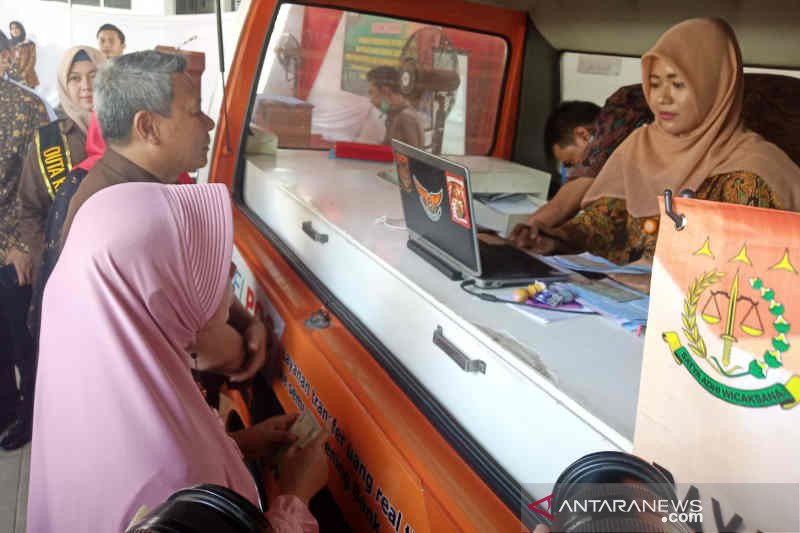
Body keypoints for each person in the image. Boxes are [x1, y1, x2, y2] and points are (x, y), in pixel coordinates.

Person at [27, 182, 330, 532]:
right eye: (197, 265)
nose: (229, 273)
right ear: (156, 289)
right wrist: (296, 495)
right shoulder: (169, 476)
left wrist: (238, 445)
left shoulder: (91, 371)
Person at [520, 18, 800, 265]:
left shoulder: (755, 173)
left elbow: (735, 271)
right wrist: (556, 239)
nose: (661, 98)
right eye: (654, 84)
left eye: (677, 84)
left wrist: (649, 281)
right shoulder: (640, 144)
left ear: (714, 88)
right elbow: (606, 222)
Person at [60, 50, 267, 382]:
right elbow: (211, 348)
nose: (209, 124)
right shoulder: (134, 217)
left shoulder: (130, 187)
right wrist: (247, 346)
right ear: (148, 127)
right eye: (195, 112)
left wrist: (248, 322)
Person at [511, 86, 652, 243]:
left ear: (583, 135)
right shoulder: (624, 162)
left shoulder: (623, 106)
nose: (572, 172)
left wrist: (520, 238)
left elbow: (561, 206)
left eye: (571, 162)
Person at [0, 29, 50, 449]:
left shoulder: (29, 108)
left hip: (12, 251)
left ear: (6, 59)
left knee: (24, 340)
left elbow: (40, 188)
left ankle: (31, 418)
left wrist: (21, 244)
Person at [366, 65, 425, 148]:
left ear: (386, 91)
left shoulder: (405, 118)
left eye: (371, 93)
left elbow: (411, 159)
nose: (371, 100)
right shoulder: (396, 115)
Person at [8, 21, 38, 88]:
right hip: (12, 77)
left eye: (16, 28)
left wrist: (23, 74)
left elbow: (32, 61)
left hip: (27, 78)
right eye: (12, 29)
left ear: (21, 29)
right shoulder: (8, 44)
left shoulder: (29, 44)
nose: (14, 30)